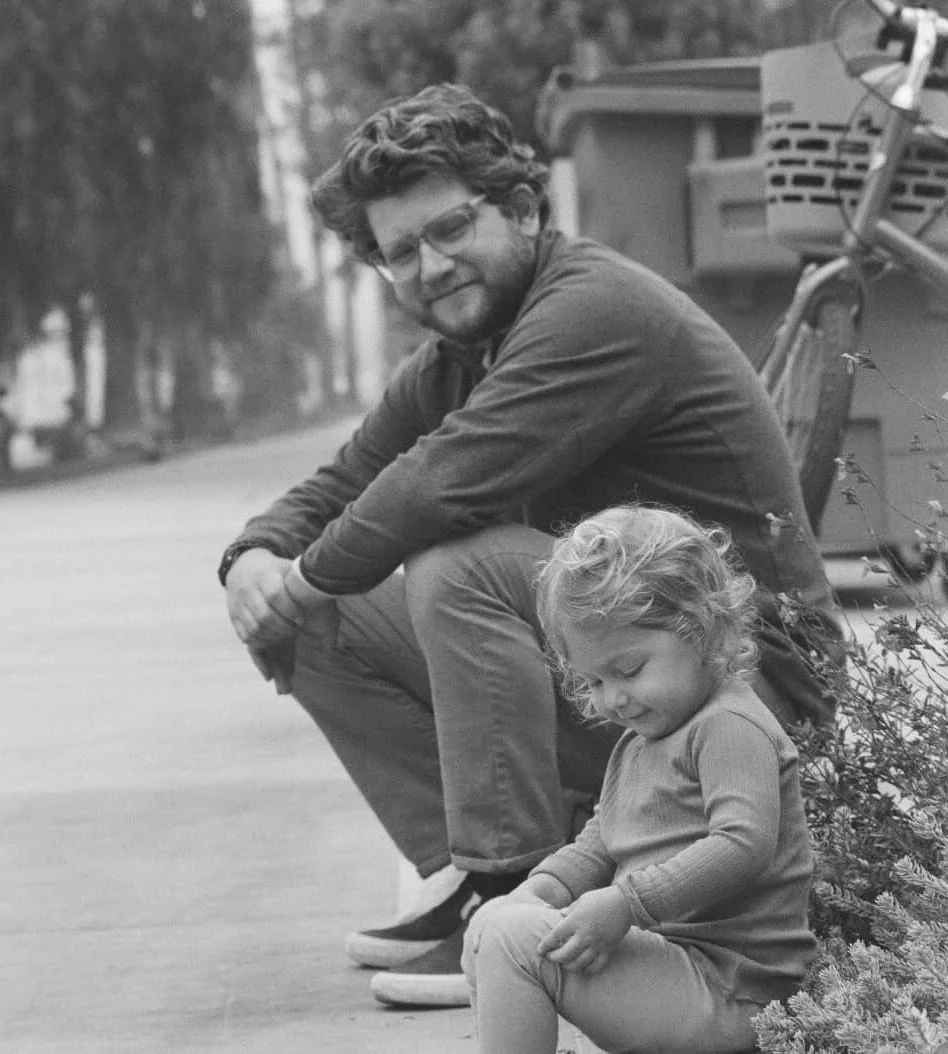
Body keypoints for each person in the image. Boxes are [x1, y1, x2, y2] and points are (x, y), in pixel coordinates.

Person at [217, 82, 839, 1008]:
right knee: (314, 618)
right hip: (635, 674)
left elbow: (437, 484)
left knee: (454, 566)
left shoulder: (593, 309)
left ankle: (511, 897)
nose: (430, 265)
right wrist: (253, 563)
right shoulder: (459, 357)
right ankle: (482, 883)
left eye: (450, 229)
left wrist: (298, 578)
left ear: (519, 207)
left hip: (752, 691)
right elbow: (349, 481)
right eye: (400, 254)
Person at [462, 504, 816, 1053]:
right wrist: (540, 890)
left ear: (703, 630)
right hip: (674, 972)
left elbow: (743, 844)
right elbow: (602, 841)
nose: (614, 698)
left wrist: (626, 905)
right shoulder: (644, 741)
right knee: (494, 923)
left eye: (628, 671)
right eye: (594, 681)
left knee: (511, 941)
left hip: (732, 992)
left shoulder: (728, 725)